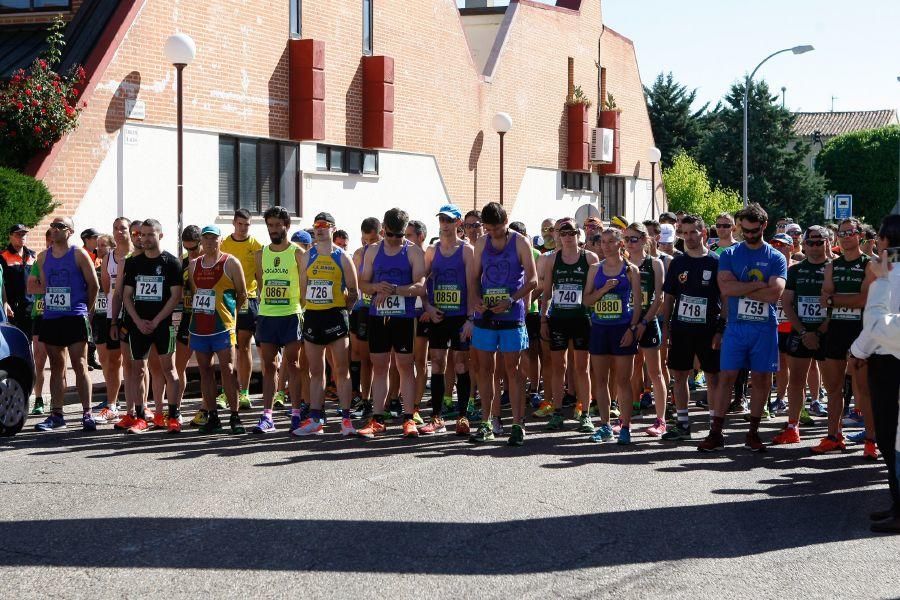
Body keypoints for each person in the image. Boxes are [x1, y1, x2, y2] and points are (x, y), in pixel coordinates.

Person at [700, 203, 786, 452]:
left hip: (764, 328)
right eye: (744, 230)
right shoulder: (729, 254)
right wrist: (758, 287)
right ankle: (715, 432)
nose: (749, 235)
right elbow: (726, 289)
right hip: (736, 327)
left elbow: (775, 294)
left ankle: (753, 432)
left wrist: (741, 286)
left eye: (754, 230)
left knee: (761, 379)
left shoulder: (776, 257)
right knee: (726, 377)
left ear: (764, 226)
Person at [468, 202, 537, 446]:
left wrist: (510, 300)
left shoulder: (519, 242)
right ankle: (486, 422)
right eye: (489, 229)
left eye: (497, 229)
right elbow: (474, 277)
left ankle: (517, 424)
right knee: (484, 371)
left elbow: (533, 279)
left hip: (511, 314)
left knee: (514, 371)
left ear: (506, 221)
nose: (493, 234)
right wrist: (475, 299)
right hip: (486, 315)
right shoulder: (481, 243)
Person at [849, 214, 900, 533]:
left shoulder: (887, 271)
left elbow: (879, 325)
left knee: (890, 437)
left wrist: (857, 351)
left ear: (884, 242)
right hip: (884, 356)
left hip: (889, 359)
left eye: (878, 239)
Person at [357, 208, 426, 439]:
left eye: (400, 235)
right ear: (383, 229)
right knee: (379, 366)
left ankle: (408, 418)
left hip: (404, 318)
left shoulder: (414, 252)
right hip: (379, 316)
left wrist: (396, 289)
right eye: (391, 235)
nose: (395, 240)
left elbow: (421, 286)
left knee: (405, 366)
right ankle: (377, 418)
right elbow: (363, 283)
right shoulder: (373, 251)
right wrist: (376, 287)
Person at [812, 217, 875, 455]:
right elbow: (823, 297)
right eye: (842, 233)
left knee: (864, 388)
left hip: (861, 330)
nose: (846, 236)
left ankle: (870, 441)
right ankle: (833, 436)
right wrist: (834, 299)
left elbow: (863, 299)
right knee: (833, 387)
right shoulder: (832, 266)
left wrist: (834, 299)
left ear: (860, 234)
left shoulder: (870, 264)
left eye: (851, 232)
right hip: (836, 329)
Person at [30, 217, 100, 432]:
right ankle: (57, 414)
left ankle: (87, 413)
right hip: (51, 317)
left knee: (79, 364)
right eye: (53, 226)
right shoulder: (42, 257)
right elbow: (39, 285)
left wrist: (85, 310)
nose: (55, 229)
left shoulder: (78, 254)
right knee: (56, 367)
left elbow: (94, 285)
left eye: (60, 226)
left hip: (74, 316)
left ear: (69, 231)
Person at [294, 212, 359, 436]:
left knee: (341, 370)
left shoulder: (342, 256)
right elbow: (303, 287)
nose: (319, 229)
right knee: (315, 371)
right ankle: (315, 419)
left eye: (324, 226)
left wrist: (343, 311)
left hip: (335, 316)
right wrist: (308, 306)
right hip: (313, 315)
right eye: (316, 226)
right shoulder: (307, 255)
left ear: (332, 228)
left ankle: (346, 420)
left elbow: (353, 291)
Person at [660, 215, 722, 441]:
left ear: (703, 233)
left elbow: (725, 298)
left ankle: (715, 426)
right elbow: (669, 297)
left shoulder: (716, 262)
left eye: (693, 232)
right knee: (679, 376)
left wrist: (720, 328)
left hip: (708, 328)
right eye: (684, 233)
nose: (688, 237)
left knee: (713, 377)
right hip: (682, 328)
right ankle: (683, 424)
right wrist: (666, 327)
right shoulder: (678, 262)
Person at [121, 219, 183, 433]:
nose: (145, 239)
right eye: (142, 235)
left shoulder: (171, 263)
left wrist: (156, 321)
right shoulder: (134, 263)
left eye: (150, 234)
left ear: (160, 235)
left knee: (169, 369)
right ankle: (140, 416)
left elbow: (176, 296)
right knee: (137, 369)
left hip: (162, 323)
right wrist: (138, 321)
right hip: (139, 324)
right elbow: (126, 295)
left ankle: (173, 416)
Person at [539, 217, 598, 433]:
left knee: (582, 368)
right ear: (557, 236)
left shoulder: (590, 258)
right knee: (558, 367)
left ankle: (585, 413)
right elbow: (546, 294)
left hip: (582, 319)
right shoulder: (552, 260)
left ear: (578, 234)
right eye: (562, 233)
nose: (567, 237)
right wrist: (544, 319)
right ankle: (557, 412)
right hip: (559, 320)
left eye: (571, 233)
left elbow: (595, 290)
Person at [583, 227, 642, 444]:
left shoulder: (631, 270)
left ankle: (625, 427)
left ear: (620, 244)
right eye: (603, 242)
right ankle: (605, 426)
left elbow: (637, 304)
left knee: (623, 381)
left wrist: (632, 329)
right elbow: (586, 301)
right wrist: (603, 290)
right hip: (599, 328)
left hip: (622, 329)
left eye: (610, 242)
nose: (606, 246)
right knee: (600, 380)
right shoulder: (594, 269)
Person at [772, 226, 828, 446]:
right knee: (796, 380)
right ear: (803, 244)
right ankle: (792, 426)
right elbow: (786, 303)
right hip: (801, 332)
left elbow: (838, 304)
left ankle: (835, 431)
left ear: (826, 243)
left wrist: (820, 330)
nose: (815, 246)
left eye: (819, 242)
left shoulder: (832, 269)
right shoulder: (795, 271)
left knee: (833, 385)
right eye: (810, 242)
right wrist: (805, 332)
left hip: (827, 332)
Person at [251, 207, 306, 434]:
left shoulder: (298, 253)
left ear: (286, 226)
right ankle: (267, 417)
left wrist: (299, 308)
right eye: (270, 225)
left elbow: (305, 286)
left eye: (277, 225)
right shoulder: (260, 254)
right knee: (269, 366)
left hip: (291, 314)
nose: (273, 230)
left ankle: (295, 413)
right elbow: (262, 285)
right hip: (268, 315)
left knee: (293, 365)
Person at [188, 225, 247, 434]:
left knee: (228, 371)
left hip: (223, 326)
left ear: (220, 240)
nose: (210, 242)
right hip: (200, 326)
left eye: (214, 239)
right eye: (206, 239)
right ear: (201, 242)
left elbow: (242, 294)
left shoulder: (231, 262)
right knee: (204, 371)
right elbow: (196, 293)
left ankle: (235, 416)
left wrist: (230, 316)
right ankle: (212, 415)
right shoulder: (193, 265)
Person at [421, 203, 475, 435]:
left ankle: (462, 416)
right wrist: (428, 307)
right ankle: (436, 416)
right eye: (441, 219)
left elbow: (473, 286)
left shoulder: (467, 250)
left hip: (460, 316)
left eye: (448, 220)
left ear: (457, 223)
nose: (444, 224)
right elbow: (421, 285)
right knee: (438, 363)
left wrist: (471, 318)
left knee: (461, 364)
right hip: (439, 315)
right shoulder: (432, 251)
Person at [624, 222, 668, 436]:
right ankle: (625, 419)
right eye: (627, 239)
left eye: (634, 239)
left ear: (643, 240)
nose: (630, 243)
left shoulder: (655, 263)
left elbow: (659, 297)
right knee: (627, 372)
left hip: (648, 322)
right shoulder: (621, 263)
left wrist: (643, 322)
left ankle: (661, 419)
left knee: (655, 372)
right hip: (625, 322)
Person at [220, 208, 263, 410]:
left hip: (248, 299)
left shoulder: (256, 246)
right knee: (224, 346)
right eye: (240, 224)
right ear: (234, 223)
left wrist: (262, 297)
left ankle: (244, 392)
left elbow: (260, 276)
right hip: (226, 300)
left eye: (247, 225)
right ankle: (225, 392)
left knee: (243, 345)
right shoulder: (224, 244)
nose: (243, 228)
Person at [349, 217, 381, 417]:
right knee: (364, 359)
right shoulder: (359, 254)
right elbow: (353, 283)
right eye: (366, 240)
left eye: (374, 240)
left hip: (383, 310)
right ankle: (366, 400)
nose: (370, 244)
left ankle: (385, 401)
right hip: (363, 309)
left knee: (382, 360)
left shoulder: (386, 253)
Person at [25, 228, 53, 415]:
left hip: (60, 316)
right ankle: (39, 399)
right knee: (39, 360)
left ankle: (57, 403)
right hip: (40, 315)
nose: (52, 245)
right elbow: (31, 288)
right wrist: (51, 287)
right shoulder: (40, 260)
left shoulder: (70, 259)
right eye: (49, 241)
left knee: (59, 363)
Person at [406, 219, 430, 424]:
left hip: (422, 313)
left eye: (409, 236)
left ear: (421, 236)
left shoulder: (428, 256)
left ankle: (415, 407)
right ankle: (397, 401)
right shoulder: (405, 255)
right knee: (402, 362)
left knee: (420, 362)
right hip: (404, 312)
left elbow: (428, 284)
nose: (405, 239)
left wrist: (427, 306)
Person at [1, 224, 36, 337]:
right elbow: (2, 284)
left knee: (32, 340)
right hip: (13, 308)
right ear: (10, 236)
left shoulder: (32, 256)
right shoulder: (2, 257)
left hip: (31, 306)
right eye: (18, 234)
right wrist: (5, 303)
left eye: (24, 234)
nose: (22, 236)